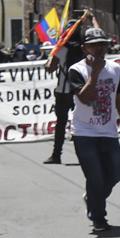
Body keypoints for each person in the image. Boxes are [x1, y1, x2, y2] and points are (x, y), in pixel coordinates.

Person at [67, 27, 120, 232]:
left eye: (102, 44)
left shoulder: (115, 68)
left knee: (116, 171)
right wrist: (94, 73)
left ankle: (93, 198)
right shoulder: (76, 70)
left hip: (108, 131)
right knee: (94, 176)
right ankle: (98, 216)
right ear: (85, 48)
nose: (100, 48)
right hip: (84, 132)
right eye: (94, 45)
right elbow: (84, 99)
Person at [43, 20, 84, 164]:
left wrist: (48, 62)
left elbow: (51, 68)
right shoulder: (85, 48)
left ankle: (56, 155)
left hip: (63, 91)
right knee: (82, 123)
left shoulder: (61, 49)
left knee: (61, 123)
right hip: (81, 90)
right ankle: (84, 155)